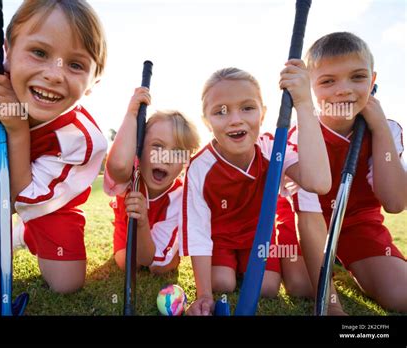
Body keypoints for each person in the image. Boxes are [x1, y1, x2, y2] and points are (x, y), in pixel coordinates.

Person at [0, 0, 108, 299]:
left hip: (45, 204)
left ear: (93, 82)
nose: (54, 74)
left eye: (75, 65)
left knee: (66, 283)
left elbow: (21, 199)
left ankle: (25, 234)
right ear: (8, 52)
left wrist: (16, 129)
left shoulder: (83, 138)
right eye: (39, 53)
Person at [182, 66, 332, 315]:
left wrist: (304, 103)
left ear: (263, 115)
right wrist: (204, 294)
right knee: (222, 283)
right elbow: (197, 231)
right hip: (220, 239)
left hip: (258, 238)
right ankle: (232, 268)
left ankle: (247, 266)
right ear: (206, 122)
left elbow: (318, 183)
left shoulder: (273, 148)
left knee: (268, 287)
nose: (235, 119)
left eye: (247, 108)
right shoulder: (199, 167)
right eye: (220, 112)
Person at [277, 32, 407, 314]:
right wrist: (330, 303)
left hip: (359, 225)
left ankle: (349, 261)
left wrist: (379, 126)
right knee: (302, 286)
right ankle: (330, 263)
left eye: (357, 77)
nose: (344, 89)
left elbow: (395, 202)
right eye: (327, 81)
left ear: (372, 81)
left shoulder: (389, 130)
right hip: (308, 226)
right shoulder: (300, 136)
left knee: (402, 296)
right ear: (310, 87)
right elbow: (308, 216)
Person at [105, 86, 200, 274]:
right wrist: (131, 115)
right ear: (139, 148)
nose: (164, 157)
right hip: (128, 225)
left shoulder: (181, 198)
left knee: (160, 267)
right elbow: (116, 166)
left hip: (156, 226)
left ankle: (165, 250)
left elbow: (149, 258)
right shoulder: (130, 173)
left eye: (176, 152)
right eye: (157, 146)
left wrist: (143, 222)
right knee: (128, 263)